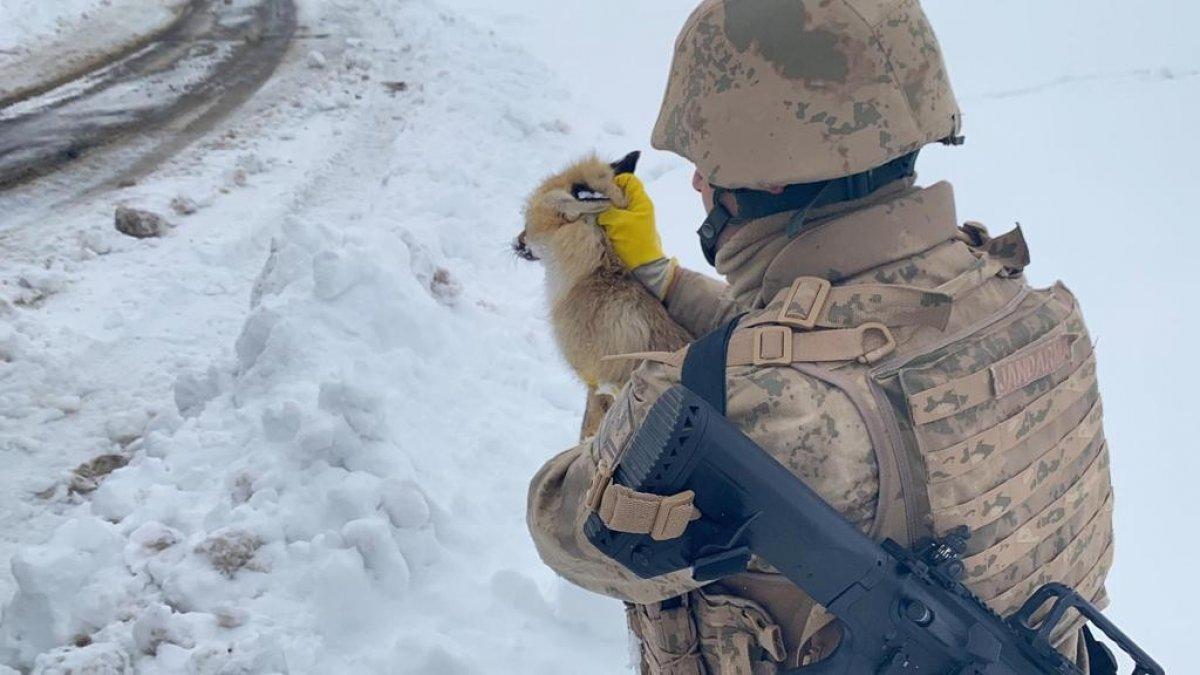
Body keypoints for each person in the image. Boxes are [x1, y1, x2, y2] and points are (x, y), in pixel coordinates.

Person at [527, 1, 1113, 672]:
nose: (697, 180)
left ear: (771, 162)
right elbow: (832, 341)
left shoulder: (736, 408)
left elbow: (564, 525)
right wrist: (666, 282)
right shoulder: (1031, 310)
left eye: (707, 161)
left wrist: (613, 350)